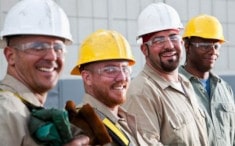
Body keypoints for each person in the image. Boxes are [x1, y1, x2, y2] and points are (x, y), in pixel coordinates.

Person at [0, 0, 89, 145]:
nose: (52, 56)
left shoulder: (25, 109)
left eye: (58, 48)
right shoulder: (6, 111)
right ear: (11, 56)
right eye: (38, 47)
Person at [122, 2, 208, 145]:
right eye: (158, 40)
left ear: (181, 42)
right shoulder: (141, 93)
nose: (169, 45)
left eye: (173, 36)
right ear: (144, 49)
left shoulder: (185, 83)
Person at [69, 29, 148, 145]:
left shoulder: (123, 119)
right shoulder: (83, 127)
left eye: (125, 68)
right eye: (110, 70)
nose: (122, 77)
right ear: (87, 78)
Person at [179, 14, 235, 146]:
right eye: (205, 45)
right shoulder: (174, 86)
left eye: (216, 46)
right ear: (187, 46)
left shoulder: (224, 89)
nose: (212, 51)